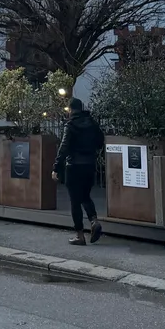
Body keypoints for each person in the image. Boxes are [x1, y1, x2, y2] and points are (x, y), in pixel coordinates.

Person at [53, 98, 104, 245]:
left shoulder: (70, 125)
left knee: (75, 201)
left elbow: (64, 147)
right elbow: (100, 141)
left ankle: (80, 235)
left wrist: (56, 167)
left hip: (74, 166)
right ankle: (94, 221)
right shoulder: (92, 124)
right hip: (89, 165)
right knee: (85, 196)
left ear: (70, 110)